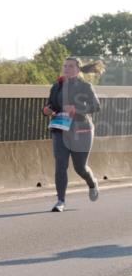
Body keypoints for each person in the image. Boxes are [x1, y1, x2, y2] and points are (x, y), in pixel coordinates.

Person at [42, 56, 105, 212]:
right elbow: (50, 105)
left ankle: (92, 183)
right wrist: (46, 110)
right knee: (60, 165)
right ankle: (60, 201)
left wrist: (77, 110)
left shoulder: (85, 86)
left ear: (78, 69)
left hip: (81, 131)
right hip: (60, 129)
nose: (67, 68)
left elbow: (96, 107)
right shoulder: (57, 86)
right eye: (65, 66)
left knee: (80, 167)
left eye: (70, 66)